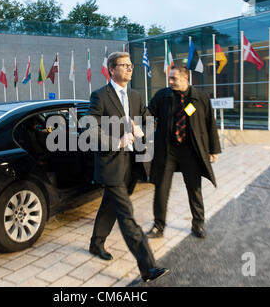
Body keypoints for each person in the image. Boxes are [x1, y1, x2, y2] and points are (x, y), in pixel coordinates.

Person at [87, 51, 169, 282]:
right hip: (111, 164)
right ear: (112, 70)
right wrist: (117, 141)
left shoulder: (135, 96)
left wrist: (140, 130)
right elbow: (90, 129)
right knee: (127, 216)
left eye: (130, 65)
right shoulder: (100, 96)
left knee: (110, 205)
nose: (129, 68)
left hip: (132, 165)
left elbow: (149, 120)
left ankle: (96, 243)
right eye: (123, 65)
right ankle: (148, 267)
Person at [146, 65, 221, 239]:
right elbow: (147, 113)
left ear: (186, 78)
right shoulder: (163, 96)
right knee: (161, 189)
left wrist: (213, 149)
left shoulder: (200, 97)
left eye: (174, 78)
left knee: (194, 189)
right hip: (167, 151)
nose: (170, 82)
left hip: (191, 151)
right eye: (170, 78)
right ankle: (158, 226)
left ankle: (198, 225)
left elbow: (210, 123)